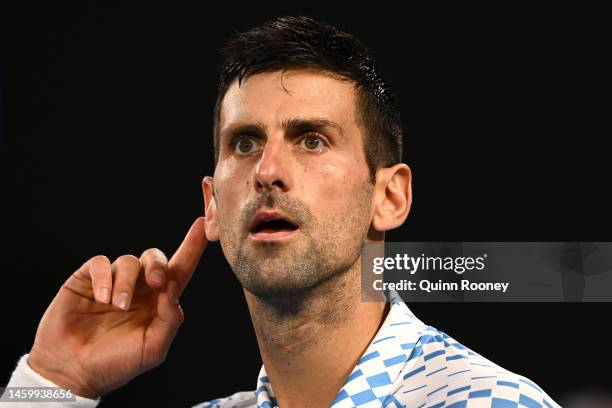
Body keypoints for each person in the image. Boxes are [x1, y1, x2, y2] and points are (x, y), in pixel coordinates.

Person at [1, 16, 560, 408]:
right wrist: (54, 381)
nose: (267, 170)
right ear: (212, 205)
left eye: (312, 140)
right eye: (244, 143)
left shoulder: (494, 403)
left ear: (388, 197)